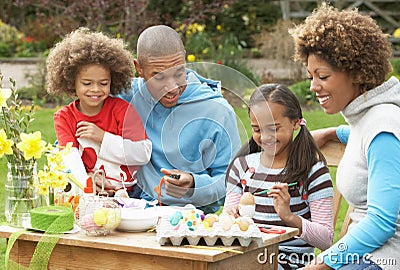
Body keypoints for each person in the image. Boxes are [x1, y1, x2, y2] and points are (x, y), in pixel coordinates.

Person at [289, 3, 400, 270]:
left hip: (384, 259)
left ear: (357, 71)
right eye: (310, 76)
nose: (313, 86)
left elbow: (381, 224)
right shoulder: (370, 119)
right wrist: (331, 133)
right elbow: (365, 138)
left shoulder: (383, 123)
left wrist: (320, 264)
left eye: (323, 76)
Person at [115, 25, 241, 214]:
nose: (172, 87)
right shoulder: (123, 96)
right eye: (159, 77)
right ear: (139, 68)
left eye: (179, 73)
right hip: (128, 213)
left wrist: (193, 183)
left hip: (187, 222)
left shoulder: (217, 112)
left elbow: (232, 182)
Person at [224, 84, 334, 269]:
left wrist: (289, 217)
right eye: (258, 130)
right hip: (244, 259)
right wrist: (231, 219)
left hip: (289, 262)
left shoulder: (313, 172)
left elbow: (327, 240)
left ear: (296, 122)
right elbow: (227, 223)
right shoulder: (242, 167)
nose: (265, 137)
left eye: (273, 129)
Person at [46, 27, 152, 197]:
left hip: (129, 193)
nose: (95, 90)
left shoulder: (122, 110)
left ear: (113, 80)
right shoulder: (64, 117)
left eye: (103, 83)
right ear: (72, 82)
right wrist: (88, 183)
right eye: (87, 83)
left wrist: (103, 137)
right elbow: (69, 160)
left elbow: (143, 153)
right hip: (88, 192)